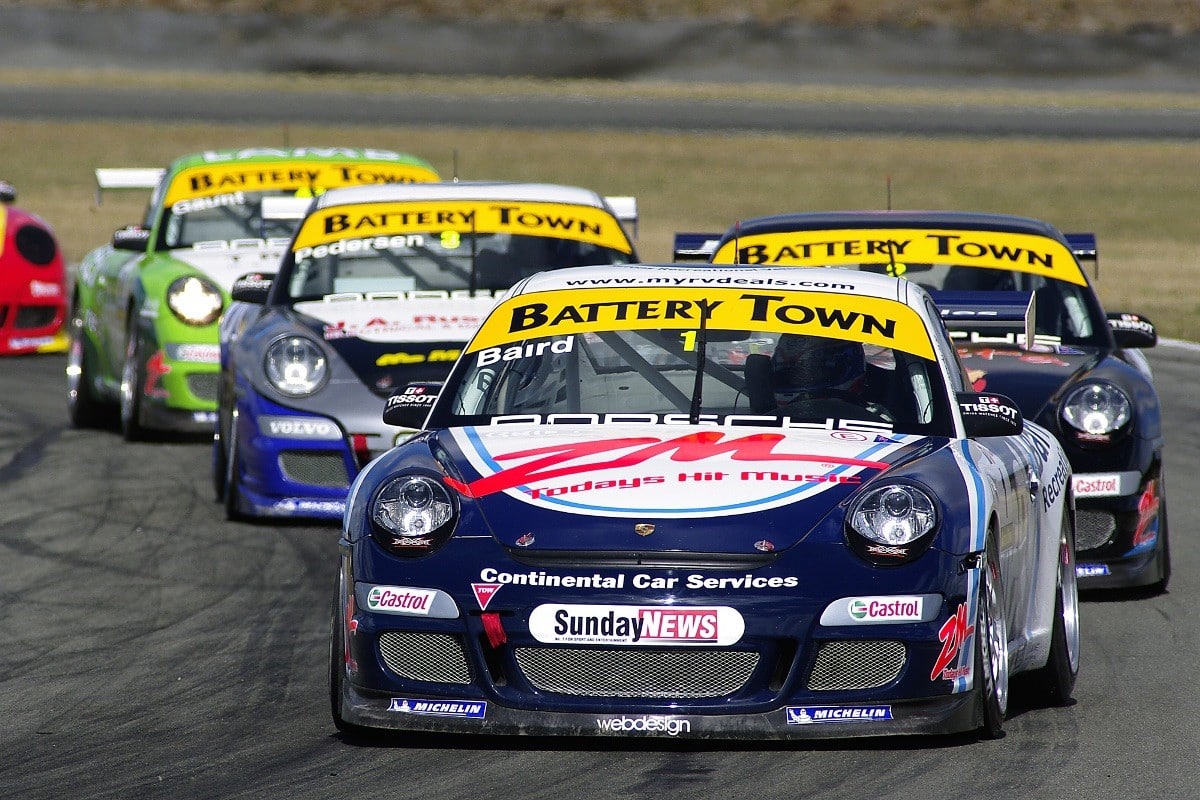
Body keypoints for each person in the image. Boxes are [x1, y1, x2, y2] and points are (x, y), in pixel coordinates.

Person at [769, 333, 891, 422]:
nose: (802, 380)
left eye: (819, 373)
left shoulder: (883, 421)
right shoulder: (756, 423)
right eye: (788, 376)